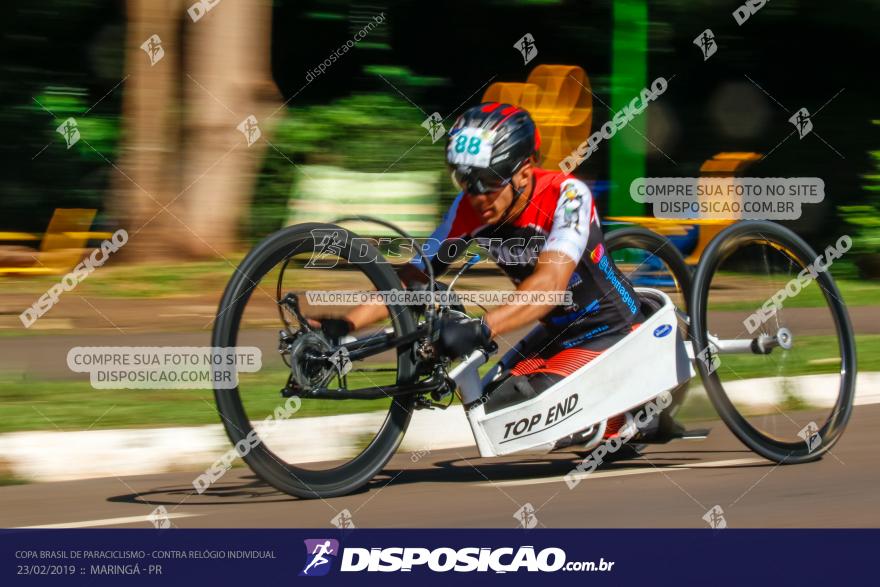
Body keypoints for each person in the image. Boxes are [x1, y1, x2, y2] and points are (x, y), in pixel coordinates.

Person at [316, 102, 661, 437]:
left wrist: (482, 329)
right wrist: (346, 324)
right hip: (554, 335)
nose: (477, 196)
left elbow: (550, 286)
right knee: (495, 409)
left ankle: (638, 413)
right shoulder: (468, 207)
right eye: (465, 180)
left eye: (487, 181)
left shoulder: (568, 197)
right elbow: (413, 279)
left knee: (530, 410)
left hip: (610, 328)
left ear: (524, 170)